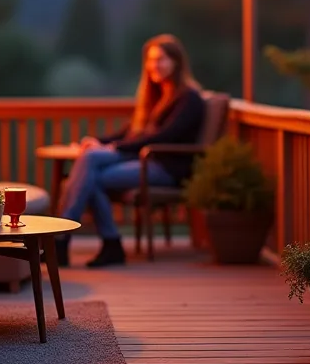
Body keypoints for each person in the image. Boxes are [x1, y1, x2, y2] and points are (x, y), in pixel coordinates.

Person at [57, 34, 206, 268]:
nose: (154, 65)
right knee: (88, 170)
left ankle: (63, 238)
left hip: (167, 168)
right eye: (151, 60)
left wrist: (113, 147)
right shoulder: (158, 96)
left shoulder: (189, 99)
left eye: (161, 59)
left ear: (177, 62)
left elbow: (164, 137)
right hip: (146, 162)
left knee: (88, 171)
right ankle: (107, 245)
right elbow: (131, 132)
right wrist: (98, 140)